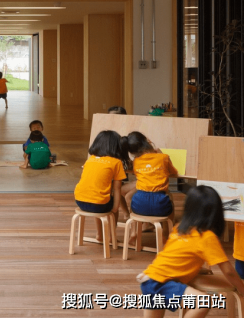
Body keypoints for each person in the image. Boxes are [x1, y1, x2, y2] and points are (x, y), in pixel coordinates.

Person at [137, 186, 244, 317]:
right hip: (162, 282)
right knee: (204, 301)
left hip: (148, 279)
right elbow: (229, 271)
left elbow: (177, 257)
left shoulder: (180, 228)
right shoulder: (207, 236)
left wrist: (197, 269)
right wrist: (242, 289)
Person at [74, 130, 128, 242]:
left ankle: (99, 235)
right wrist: (115, 208)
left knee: (97, 197)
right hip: (98, 204)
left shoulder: (90, 159)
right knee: (108, 203)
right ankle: (111, 237)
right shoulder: (116, 162)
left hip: (80, 201)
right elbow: (117, 188)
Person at [123, 132, 178, 242]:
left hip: (139, 205)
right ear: (147, 141)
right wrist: (161, 155)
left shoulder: (136, 162)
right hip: (160, 204)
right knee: (170, 201)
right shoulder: (163, 157)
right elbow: (174, 172)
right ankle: (166, 232)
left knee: (133, 202)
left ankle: (133, 231)